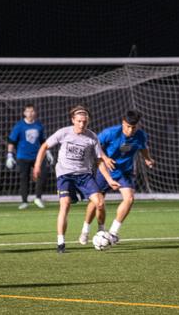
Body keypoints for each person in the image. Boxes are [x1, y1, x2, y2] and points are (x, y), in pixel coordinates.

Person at [33, 105, 119, 253]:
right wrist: (37, 165)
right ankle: (61, 243)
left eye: (84, 121)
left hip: (84, 175)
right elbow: (44, 146)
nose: (82, 124)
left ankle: (101, 232)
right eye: (79, 121)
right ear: (73, 120)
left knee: (100, 202)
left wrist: (109, 179)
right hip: (65, 175)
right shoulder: (63, 133)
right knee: (65, 204)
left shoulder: (92, 137)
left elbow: (99, 160)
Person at [78, 110, 155, 245]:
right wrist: (105, 158)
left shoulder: (140, 135)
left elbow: (143, 148)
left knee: (129, 199)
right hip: (106, 171)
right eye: (128, 126)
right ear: (123, 123)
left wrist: (147, 159)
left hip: (125, 172)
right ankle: (85, 230)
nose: (130, 130)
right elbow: (95, 145)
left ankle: (113, 233)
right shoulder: (110, 133)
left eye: (134, 127)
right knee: (96, 202)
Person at [6, 104, 53, 209]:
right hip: (23, 157)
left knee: (42, 175)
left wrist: (48, 152)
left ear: (35, 112)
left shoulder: (39, 125)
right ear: (24, 113)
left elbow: (43, 141)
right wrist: (9, 155)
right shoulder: (19, 126)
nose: (30, 113)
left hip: (37, 156)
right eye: (28, 111)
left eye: (32, 111)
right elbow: (11, 141)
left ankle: (38, 198)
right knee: (24, 178)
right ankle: (24, 201)